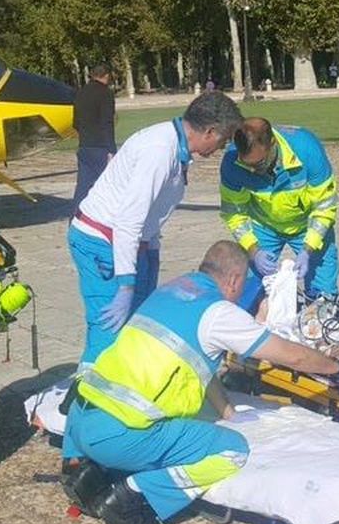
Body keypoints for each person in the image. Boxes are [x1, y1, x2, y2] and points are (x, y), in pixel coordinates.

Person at [65, 241, 339, 524]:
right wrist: (338, 368)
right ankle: (133, 495)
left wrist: (227, 411)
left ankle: (84, 473)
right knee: (232, 450)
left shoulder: (171, 289)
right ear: (235, 280)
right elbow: (294, 356)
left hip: (81, 421)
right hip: (120, 435)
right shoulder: (218, 313)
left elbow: (198, 362)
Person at [69, 91, 244, 369]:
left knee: (137, 324)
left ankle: (125, 379)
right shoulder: (159, 150)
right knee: (108, 330)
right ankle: (86, 390)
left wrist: (151, 253)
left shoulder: (176, 148)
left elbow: (151, 212)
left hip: (131, 242)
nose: (221, 148)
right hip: (101, 242)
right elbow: (128, 220)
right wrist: (126, 285)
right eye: (222, 140)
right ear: (210, 131)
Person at [220, 118, 339, 298]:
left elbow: (325, 206)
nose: (254, 171)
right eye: (248, 165)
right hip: (263, 226)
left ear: (273, 143)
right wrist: (254, 251)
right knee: (251, 291)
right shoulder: (232, 163)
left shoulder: (307, 149)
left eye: (260, 163)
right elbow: (234, 213)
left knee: (323, 294)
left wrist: (308, 249)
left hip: (307, 224)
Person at [72, 62, 117, 207]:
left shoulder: (81, 92)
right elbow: (107, 122)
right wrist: (112, 149)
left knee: (83, 187)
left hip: (84, 145)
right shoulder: (106, 93)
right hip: (101, 147)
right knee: (107, 186)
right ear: (107, 76)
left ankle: (76, 216)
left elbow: (75, 123)